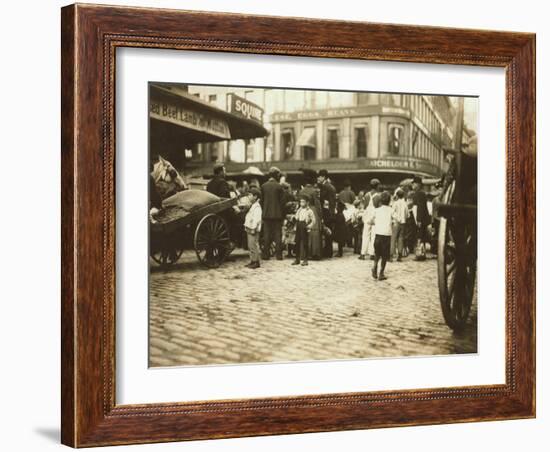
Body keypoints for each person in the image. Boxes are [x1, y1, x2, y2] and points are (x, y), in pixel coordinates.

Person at [260, 167, 285, 260]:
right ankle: (279, 255)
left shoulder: (263, 186)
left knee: (266, 235)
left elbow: (261, 202)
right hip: (277, 215)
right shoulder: (279, 187)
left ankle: (266, 254)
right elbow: (282, 203)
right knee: (278, 235)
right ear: (276, 175)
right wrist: (282, 213)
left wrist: (264, 211)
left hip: (266, 215)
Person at [299, 169, 323, 260]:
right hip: (313, 210)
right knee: (314, 232)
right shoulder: (314, 191)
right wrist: (320, 216)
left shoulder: (301, 191)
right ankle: (314, 253)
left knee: (304, 232)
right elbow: (318, 204)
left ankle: (304, 253)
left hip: (303, 210)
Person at [369, 191, 393, 281]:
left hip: (378, 235)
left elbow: (370, 221)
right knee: (384, 255)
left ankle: (374, 267)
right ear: (389, 201)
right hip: (387, 235)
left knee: (377, 253)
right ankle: (381, 273)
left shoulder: (377, 210)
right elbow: (397, 218)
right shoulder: (391, 210)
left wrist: (376, 223)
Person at [359, 178, 382, 260]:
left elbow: (364, 206)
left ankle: (362, 254)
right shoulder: (379, 196)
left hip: (367, 214)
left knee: (365, 235)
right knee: (374, 235)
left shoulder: (366, 195)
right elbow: (379, 207)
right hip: (375, 215)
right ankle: (372, 254)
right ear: (377, 186)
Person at [292, 195, 316, 266]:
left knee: (305, 243)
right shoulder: (299, 209)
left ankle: (305, 259)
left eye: (303, 202)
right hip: (298, 226)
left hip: (304, 226)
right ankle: (297, 259)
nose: (301, 203)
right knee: (297, 242)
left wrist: (309, 226)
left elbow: (314, 220)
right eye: (300, 202)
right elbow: (296, 217)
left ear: (307, 203)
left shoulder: (309, 211)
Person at [318, 169, 336, 258]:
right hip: (330, 212)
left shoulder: (325, 187)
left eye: (319, 176)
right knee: (329, 232)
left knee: (327, 232)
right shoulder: (330, 186)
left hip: (326, 212)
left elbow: (324, 201)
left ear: (323, 177)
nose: (318, 178)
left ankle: (328, 252)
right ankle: (329, 251)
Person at [411, 175, 431, 260]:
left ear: (418, 184)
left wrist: (418, 220)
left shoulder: (418, 194)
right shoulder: (421, 193)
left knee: (420, 236)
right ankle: (422, 254)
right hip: (423, 219)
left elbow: (419, 207)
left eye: (414, 184)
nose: (413, 185)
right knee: (422, 236)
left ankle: (420, 254)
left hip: (420, 219)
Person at [243, 188, 262, 269]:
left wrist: (253, 228)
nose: (249, 197)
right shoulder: (253, 205)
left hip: (253, 229)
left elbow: (256, 219)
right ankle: (252, 260)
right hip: (249, 228)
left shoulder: (257, 207)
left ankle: (256, 262)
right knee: (250, 245)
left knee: (254, 245)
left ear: (255, 196)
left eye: (250, 195)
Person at [391, 188, 408, 261]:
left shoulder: (395, 203)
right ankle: (400, 255)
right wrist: (403, 218)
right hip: (403, 223)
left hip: (396, 222)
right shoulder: (405, 203)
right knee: (401, 238)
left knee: (393, 239)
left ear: (397, 195)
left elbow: (392, 213)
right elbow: (407, 214)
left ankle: (391, 255)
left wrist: (397, 218)